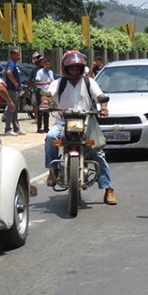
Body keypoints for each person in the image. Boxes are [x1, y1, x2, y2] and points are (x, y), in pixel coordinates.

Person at [45, 51, 117, 205]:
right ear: (66, 69)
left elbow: (100, 95)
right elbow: (48, 94)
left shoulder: (89, 82)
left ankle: (108, 188)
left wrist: (103, 106)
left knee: (98, 152)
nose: (75, 71)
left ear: (81, 68)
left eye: (77, 69)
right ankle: (52, 171)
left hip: (86, 122)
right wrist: (44, 101)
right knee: (51, 137)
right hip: (62, 121)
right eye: (72, 69)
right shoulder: (58, 83)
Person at [3, 47, 24, 136]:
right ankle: (7, 129)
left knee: (15, 110)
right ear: (13, 55)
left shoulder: (14, 64)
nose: (19, 57)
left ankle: (16, 128)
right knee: (11, 109)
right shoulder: (11, 64)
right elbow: (8, 72)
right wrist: (14, 82)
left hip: (16, 90)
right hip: (12, 90)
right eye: (17, 55)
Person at [34, 57, 55, 133]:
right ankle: (39, 128)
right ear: (44, 64)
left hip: (48, 92)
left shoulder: (51, 72)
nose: (48, 66)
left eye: (49, 65)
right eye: (46, 64)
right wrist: (46, 83)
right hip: (41, 91)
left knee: (47, 110)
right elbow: (36, 82)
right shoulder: (40, 72)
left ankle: (46, 127)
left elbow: (52, 81)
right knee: (41, 110)